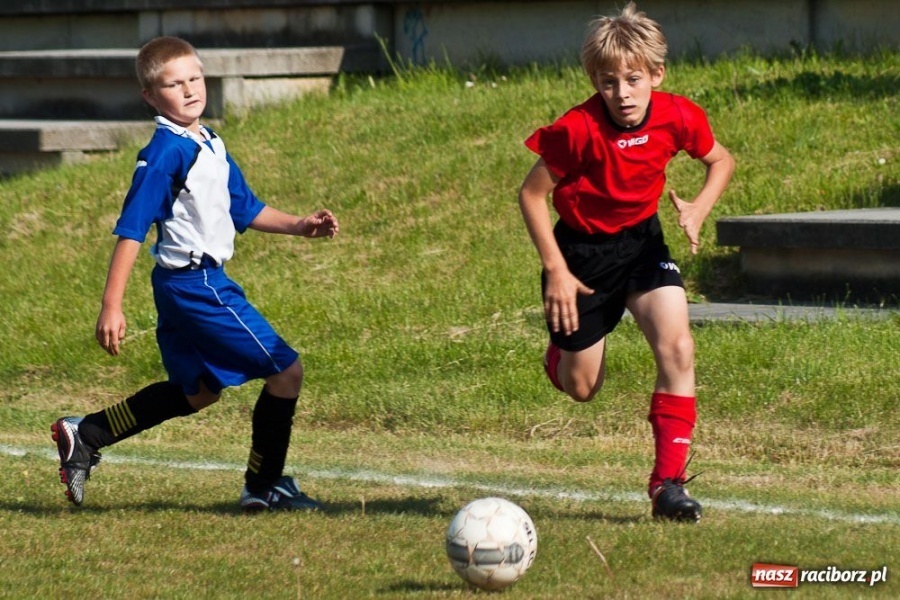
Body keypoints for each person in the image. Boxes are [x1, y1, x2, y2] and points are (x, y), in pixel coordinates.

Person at [51, 36, 340, 512]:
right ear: (150, 96)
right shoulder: (164, 153)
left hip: (185, 286)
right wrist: (111, 305)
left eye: (195, 78)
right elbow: (132, 229)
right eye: (174, 84)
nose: (189, 90)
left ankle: (87, 432)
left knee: (199, 393)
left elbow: (245, 207)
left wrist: (299, 225)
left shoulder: (208, 142)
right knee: (286, 372)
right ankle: (264, 485)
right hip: (197, 285)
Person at [518, 3, 734, 522]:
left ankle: (667, 487)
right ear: (595, 82)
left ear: (656, 75)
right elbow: (531, 195)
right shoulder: (577, 129)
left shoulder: (679, 116)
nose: (623, 93)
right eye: (609, 82)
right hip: (581, 258)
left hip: (642, 245)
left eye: (633, 79)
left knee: (678, 346)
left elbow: (720, 159)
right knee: (582, 388)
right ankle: (560, 355)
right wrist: (557, 270)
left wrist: (699, 207)